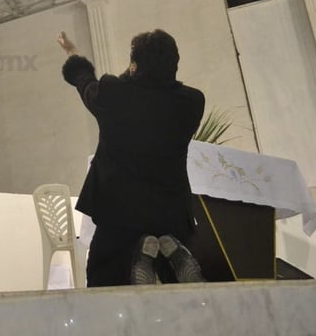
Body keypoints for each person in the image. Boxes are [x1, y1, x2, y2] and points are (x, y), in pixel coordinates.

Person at [58, 29, 206, 287]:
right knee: (179, 295)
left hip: (120, 213)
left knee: (105, 280)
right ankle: (170, 260)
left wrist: (73, 54)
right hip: (171, 210)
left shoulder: (114, 94)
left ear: (135, 65)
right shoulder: (192, 101)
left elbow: (86, 84)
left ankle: (137, 258)